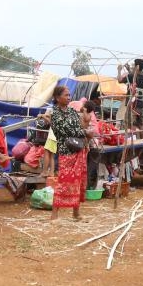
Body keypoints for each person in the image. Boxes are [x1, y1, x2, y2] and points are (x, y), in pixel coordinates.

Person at [43, 85, 87, 221]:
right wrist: (86, 133)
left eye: (69, 95)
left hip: (78, 150)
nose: (69, 97)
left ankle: (76, 213)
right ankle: (54, 213)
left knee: (78, 182)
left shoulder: (72, 112)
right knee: (64, 182)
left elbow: (79, 127)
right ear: (57, 97)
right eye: (66, 95)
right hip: (66, 152)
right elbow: (63, 131)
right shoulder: (54, 113)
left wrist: (83, 134)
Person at [117, 58, 143, 127]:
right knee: (139, 125)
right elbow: (135, 77)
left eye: (134, 65)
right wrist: (129, 71)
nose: (133, 67)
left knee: (129, 125)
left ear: (137, 67)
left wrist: (119, 70)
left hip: (131, 104)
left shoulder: (130, 76)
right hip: (140, 103)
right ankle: (142, 137)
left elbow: (119, 80)